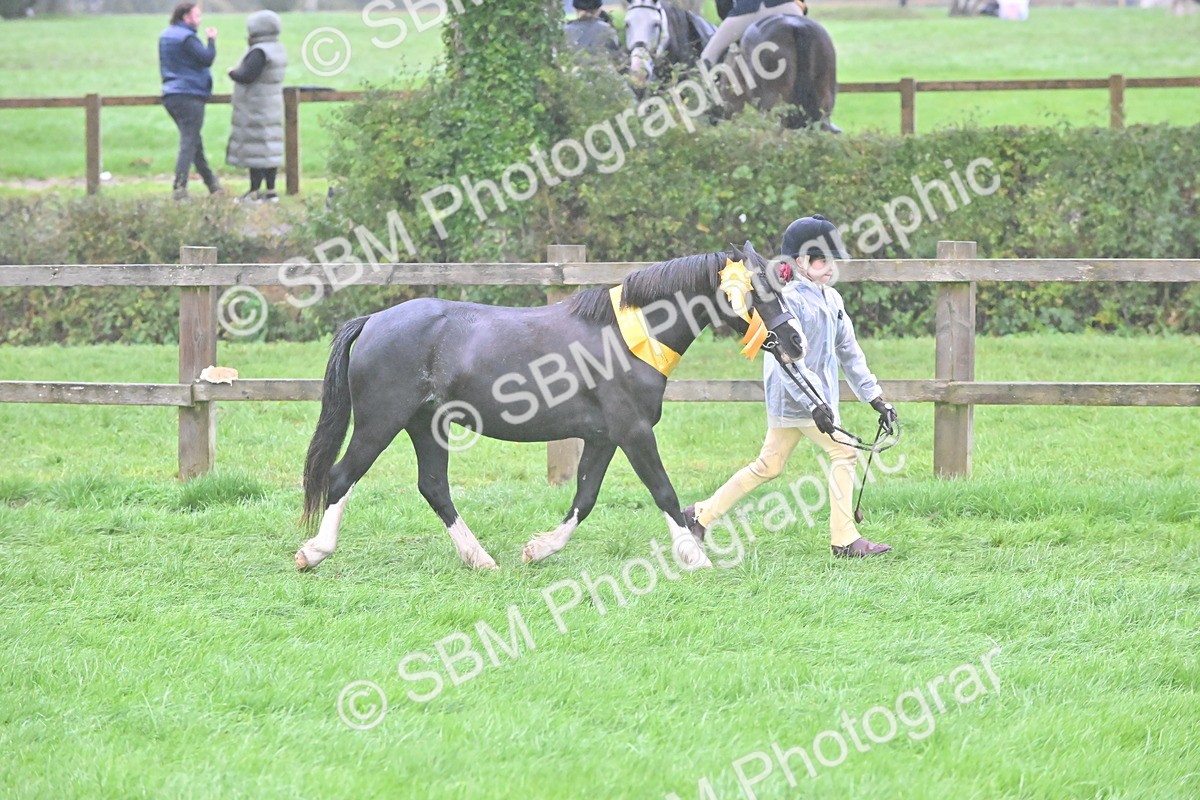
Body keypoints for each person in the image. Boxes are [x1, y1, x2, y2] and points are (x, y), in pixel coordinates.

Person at [685, 215, 899, 558]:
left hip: (816, 403)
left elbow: (849, 352)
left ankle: (699, 515)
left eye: (832, 260)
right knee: (844, 452)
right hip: (798, 399)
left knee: (768, 465)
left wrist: (875, 398)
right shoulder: (789, 300)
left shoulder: (832, 299)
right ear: (799, 262)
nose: (829, 267)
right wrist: (815, 403)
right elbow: (789, 359)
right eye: (820, 260)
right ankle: (844, 539)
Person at [159, 2, 220, 200]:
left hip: (171, 94)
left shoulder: (166, 36)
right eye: (197, 15)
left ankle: (213, 184)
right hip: (190, 95)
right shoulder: (187, 38)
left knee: (194, 141)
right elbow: (206, 58)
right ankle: (179, 188)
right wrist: (211, 40)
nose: (199, 20)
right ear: (186, 16)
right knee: (188, 142)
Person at [225, 10, 288, 203]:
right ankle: (271, 191)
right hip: (272, 106)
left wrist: (232, 72)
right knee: (270, 151)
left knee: (257, 152)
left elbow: (247, 75)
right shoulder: (277, 48)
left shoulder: (259, 51)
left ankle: (253, 192)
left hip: (256, 108)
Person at [701, 0, 806, 68]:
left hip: (748, 10)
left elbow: (723, 6)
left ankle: (707, 92)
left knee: (708, 55)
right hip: (788, 7)